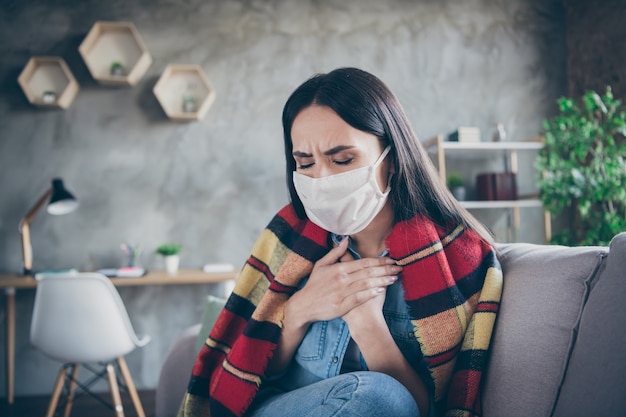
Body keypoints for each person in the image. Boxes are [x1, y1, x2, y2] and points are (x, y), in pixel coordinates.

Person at [178, 67, 503, 417]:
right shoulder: (287, 238)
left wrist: (368, 326)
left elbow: (435, 409)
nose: (321, 179)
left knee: (378, 397)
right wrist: (300, 310)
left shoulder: (456, 258)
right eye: (305, 162)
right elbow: (242, 384)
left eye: (343, 159)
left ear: (391, 158)